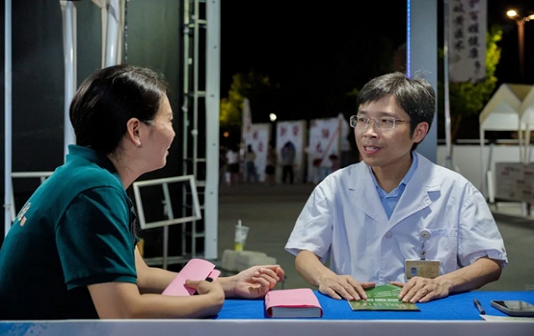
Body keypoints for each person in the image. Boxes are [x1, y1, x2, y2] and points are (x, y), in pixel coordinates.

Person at [0, 65, 284, 320]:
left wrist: (229, 284)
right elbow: (123, 312)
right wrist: (209, 302)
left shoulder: (87, 177)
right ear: (135, 130)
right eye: (169, 120)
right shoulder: (93, 190)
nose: (173, 133)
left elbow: (140, 274)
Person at [285, 72, 507, 304]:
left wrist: (444, 282)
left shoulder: (456, 190)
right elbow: (305, 252)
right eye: (362, 119)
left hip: (431, 317)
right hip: (355, 315)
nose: (369, 132)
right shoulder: (334, 187)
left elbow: (490, 262)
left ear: (419, 131)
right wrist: (326, 277)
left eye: (385, 121)